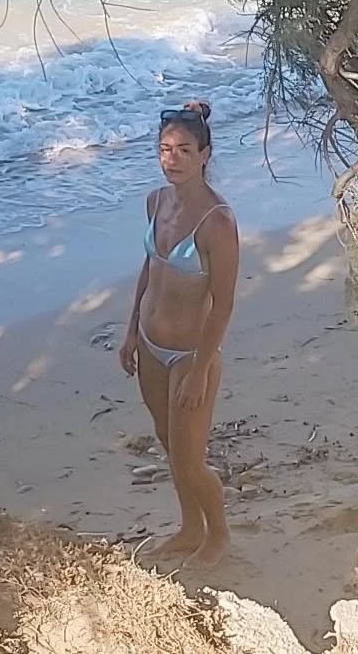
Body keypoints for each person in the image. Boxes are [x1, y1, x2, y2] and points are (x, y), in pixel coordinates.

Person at [119, 100, 239, 568]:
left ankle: (218, 535)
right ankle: (190, 528)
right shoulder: (155, 201)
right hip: (150, 345)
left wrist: (201, 369)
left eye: (184, 150)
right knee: (169, 444)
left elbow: (223, 304)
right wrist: (131, 331)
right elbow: (149, 268)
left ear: (204, 155)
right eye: (165, 149)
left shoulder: (218, 222)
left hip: (190, 354)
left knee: (190, 459)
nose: (173, 159)